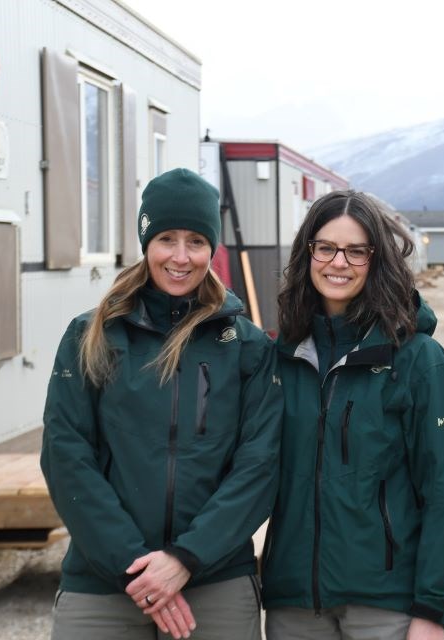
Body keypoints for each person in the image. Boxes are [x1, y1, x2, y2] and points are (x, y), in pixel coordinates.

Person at [41, 168, 281, 640]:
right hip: (103, 583)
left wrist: (186, 559)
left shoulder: (246, 345)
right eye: (166, 238)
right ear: (146, 241)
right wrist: (136, 569)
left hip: (214, 581)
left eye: (195, 241)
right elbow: (66, 455)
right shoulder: (91, 336)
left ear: (212, 249)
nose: (180, 256)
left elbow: (260, 464)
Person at [261, 190, 444, 640]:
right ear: (307, 254)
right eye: (326, 247)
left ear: (377, 260)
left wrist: (433, 611)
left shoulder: (419, 361)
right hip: (295, 605)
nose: (338, 262)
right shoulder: (282, 358)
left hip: (386, 607)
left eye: (356, 251)